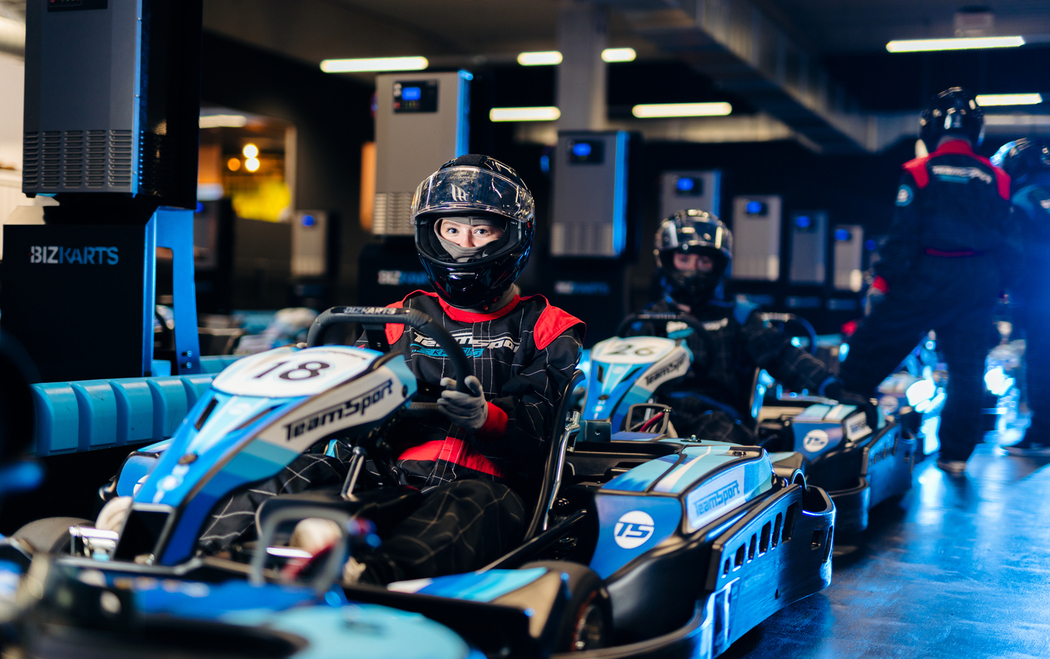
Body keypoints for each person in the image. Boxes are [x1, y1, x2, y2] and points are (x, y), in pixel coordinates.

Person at [161, 154, 584, 585]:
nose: (464, 245)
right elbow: (350, 399)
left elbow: (539, 434)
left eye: (481, 230)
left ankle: (363, 577)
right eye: (452, 230)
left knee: (469, 503)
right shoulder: (398, 317)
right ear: (432, 235)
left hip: (487, 485)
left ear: (512, 236)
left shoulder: (548, 329)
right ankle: (185, 549)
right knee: (294, 468)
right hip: (385, 476)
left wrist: (485, 418)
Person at [839, 87, 1018, 476]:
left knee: (869, 347)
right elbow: (1006, 239)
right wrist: (1000, 288)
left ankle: (837, 427)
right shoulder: (1000, 179)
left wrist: (883, 283)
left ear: (930, 129)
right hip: (979, 280)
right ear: (976, 130)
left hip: (929, 274)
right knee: (967, 369)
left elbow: (904, 235)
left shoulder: (918, 171)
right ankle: (955, 457)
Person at [629, 209, 861, 445]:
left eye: (704, 261)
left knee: (715, 434)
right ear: (668, 261)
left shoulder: (738, 316)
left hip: (717, 416)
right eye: (684, 260)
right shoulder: (649, 319)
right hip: (657, 415)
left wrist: (831, 387)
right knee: (627, 429)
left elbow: (782, 355)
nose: (693, 270)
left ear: (717, 265)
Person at [992, 138, 1050, 457]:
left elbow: (1015, 253)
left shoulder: (1022, 199)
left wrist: (1008, 292)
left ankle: (1042, 432)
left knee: (1041, 362)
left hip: (1040, 297)